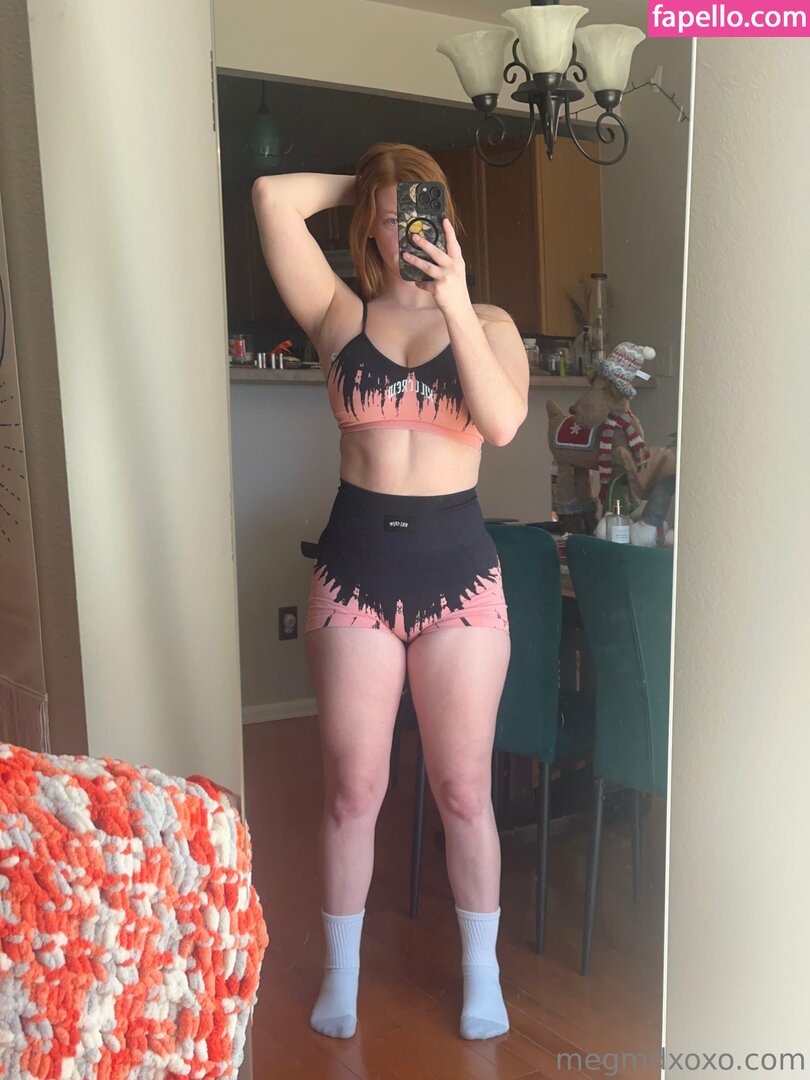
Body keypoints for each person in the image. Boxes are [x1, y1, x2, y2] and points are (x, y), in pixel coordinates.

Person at [252, 142, 529, 1042]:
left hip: (461, 578)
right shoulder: (338, 313)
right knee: (352, 789)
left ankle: (482, 972)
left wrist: (454, 298)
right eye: (395, 210)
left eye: (426, 204)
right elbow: (270, 196)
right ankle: (342, 974)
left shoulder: (489, 321)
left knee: (464, 790)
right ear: (371, 225)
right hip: (355, 572)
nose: (411, 220)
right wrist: (371, 182)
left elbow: (502, 423)